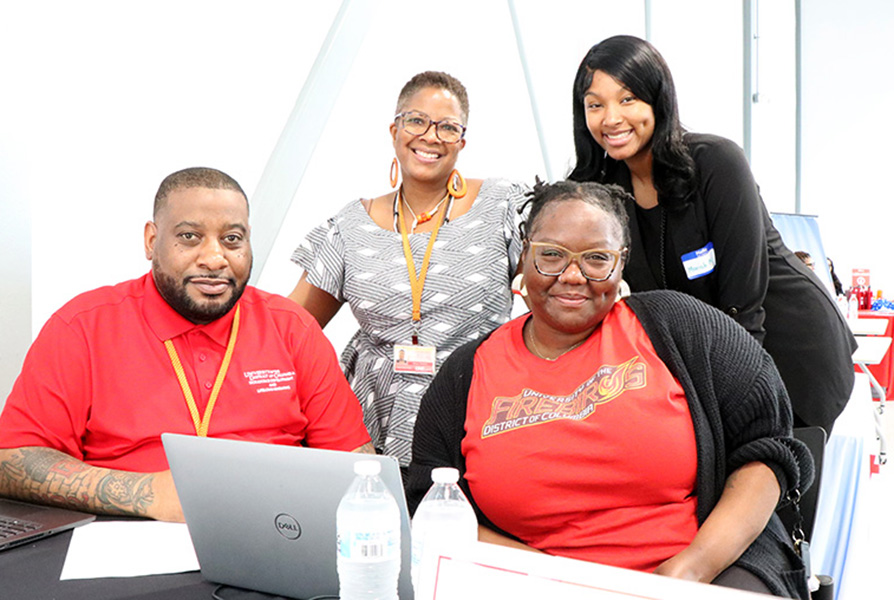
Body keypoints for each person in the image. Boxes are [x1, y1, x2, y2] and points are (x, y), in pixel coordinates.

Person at [408, 180, 814, 599]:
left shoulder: (682, 328)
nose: (571, 276)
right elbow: (430, 503)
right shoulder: (468, 372)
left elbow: (768, 451)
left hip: (698, 573)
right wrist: (547, 578)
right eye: (551, 255)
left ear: (621, 263)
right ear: (524, 252)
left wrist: (692, 568)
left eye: (596, 259)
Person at [0, 167, 372, 522]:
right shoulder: (82, 326)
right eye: (189, 237)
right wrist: (146, 493)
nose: (214, 259)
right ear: (151, 240)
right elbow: (12, 461)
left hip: (275, 533)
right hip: (123, 535)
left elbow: (357, 466)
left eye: (232, 239)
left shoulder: (293, 328)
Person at [568, 34, 856, 434]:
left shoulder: (715, 162)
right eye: (595, 105)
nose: (611, 118)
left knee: (774, 482)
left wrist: (737, 403)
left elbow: (745, 303)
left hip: (789, 349)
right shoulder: (597, 190)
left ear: (658, 99)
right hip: (700, 368)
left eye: (628, 98)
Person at [290, 71, 527, 468]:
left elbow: (553, 296)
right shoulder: (350, 226)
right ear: (394, 129)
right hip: (371, 417)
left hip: (474, 405)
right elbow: (292, 329)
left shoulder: (504, 206)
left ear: (462, 141)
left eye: (447, 127)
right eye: (417, 121)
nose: (430, 136)